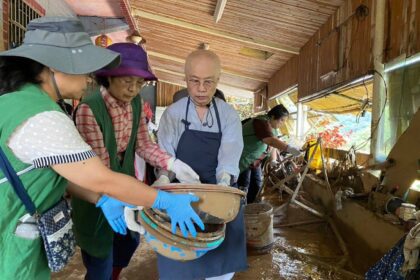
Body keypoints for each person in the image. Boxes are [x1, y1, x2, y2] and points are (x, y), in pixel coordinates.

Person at [0, 17, 203, 279]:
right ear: (52, 65)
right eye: (84, 67)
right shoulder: (46, 116)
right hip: (11, 235)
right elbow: (101, 177)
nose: (89, 77)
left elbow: (55, 171)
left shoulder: (17, 100)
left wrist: (168, 165)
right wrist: (164, 201)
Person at [72, 42, 200, 280]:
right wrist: (130, 197)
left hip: (123, 185)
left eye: (139, 83)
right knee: (100, 257)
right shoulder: (90, 109)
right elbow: (99, 169)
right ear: (109, 77)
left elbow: (143, 144)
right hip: (97, 193)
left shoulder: (138, 105)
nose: (133, 89)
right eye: (127, 80)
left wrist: (172, 164)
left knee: (128, 244)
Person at [155, 49, 246, 280]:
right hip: (180, 199)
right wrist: (164, 177)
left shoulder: (228, 115)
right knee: (179, 265)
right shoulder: (173, 114)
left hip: (218, 196)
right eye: (194, 81)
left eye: (209, 82)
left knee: (219, 267)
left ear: (218, 80)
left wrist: (223, 184)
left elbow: (229, 156)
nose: (201, 88)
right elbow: (164, 154)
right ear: (185, 79)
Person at [238, 104, 301, 203]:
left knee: (257, 184)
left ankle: (252, 207)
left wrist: (273, 160)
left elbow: (272, 146)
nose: (283, 124)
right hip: (244, 158)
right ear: (272, 117)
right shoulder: (260, 122)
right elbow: (270, 141)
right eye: (282, 120)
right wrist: (289, 148)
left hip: (255, 161)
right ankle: (239, 209)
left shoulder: (273, 129)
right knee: (244, 185)